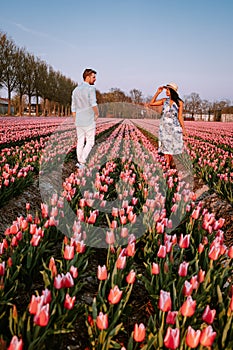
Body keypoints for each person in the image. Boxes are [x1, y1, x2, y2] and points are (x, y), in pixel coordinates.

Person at [148, 82, 187, 167]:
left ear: (172, 91)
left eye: (168, 90)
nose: (166, 91)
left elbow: (180, 117)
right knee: (165, 147)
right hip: (164, 127)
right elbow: (151, 103)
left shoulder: (179, 103)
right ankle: (168, 163)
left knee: (172, 147)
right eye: (166, 89)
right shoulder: (164, 100)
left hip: (174, 127)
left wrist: (183, 129)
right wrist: (158, 92)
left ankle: (170, 162)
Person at [71, 68, 99, 169]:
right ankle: (82, 162)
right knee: (90, 141)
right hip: (88, 119)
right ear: (87, 77)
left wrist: (75, 118)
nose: (95, 79)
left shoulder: (75, 90)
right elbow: (93, 103)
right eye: (93, 77)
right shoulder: (90, 89)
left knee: (80, 141)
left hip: (79, 119)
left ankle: (79, 161)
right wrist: (97, 114)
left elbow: (73, 107)